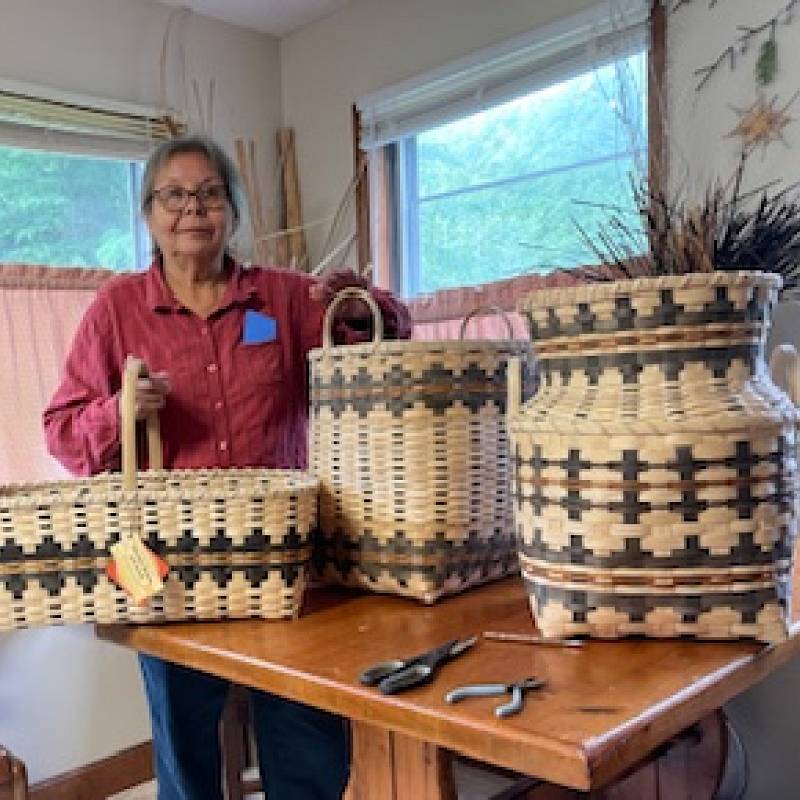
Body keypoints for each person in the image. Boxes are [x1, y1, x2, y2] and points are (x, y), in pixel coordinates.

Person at [43, 133, 411, 800]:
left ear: (233, 210)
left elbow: (379, 347)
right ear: (149, 213)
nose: (193, 208)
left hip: (288, 564)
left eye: (210, 193)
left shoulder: (286, 299)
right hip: (168, 570)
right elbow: (63, 436)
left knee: (308, 752)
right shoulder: (115, 311)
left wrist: (367, 307)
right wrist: (117, 411)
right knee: (187, 764)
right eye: (174, 195)